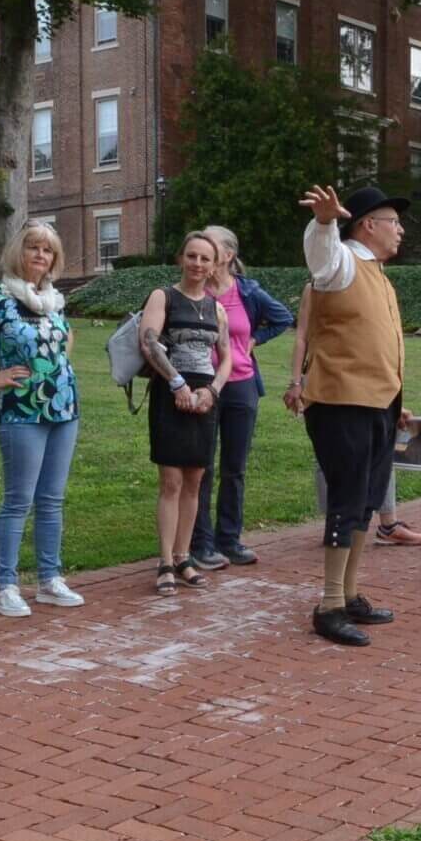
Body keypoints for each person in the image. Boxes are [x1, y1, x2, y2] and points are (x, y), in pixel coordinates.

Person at [0, 220, 86, 618]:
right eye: (33, 248)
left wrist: (56, 369)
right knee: (18, 500)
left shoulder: (54, 299)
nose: (40, 255)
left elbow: (66, 338)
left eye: (48, 250)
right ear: (18, 253)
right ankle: (5, 585)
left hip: (64, 409)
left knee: (52, 499)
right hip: (21, 411)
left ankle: (49, 579)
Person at [300, 183, 412, 646]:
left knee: (367, 501)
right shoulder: (342, 262)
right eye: (394, 223)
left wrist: (396, 402)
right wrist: (324, 220)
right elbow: (319, 253)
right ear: (369, 225)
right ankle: (328, 605)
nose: (401, 231)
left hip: (378, 404)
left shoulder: (379, 275)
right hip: (341, 402)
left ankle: (347, 595)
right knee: (347, 500)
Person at [284, 282, 421, 546]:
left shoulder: (379, 284)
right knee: (331, 456)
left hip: (367, 382)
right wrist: (296, 383)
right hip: (325, 381)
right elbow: (302, 335)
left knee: (378, 450)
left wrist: (395, 400)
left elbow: (385, 343)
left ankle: (386, 524)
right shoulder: (318, 286)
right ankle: (337, 525)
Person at [187, 225, 295, 569]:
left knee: (235, 468)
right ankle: (200, 543)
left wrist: (254, 340)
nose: (203, 250)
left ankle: (229, 539)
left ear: (228, 255)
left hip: (242, 385)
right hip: (203, 384)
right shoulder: (194, 289)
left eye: (211, 246)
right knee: (201, 465)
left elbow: (283, 318)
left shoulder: (247, 292)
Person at [139, 233, 231, 596]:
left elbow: (226, 358)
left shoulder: (216, 309)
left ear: (214, 265)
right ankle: (164, 560)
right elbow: (149, 342)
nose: (197, 264)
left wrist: (212, 392)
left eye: (205, 259)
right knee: (171, 481)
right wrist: (177, 384)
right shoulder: (164, 296)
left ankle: (183, 556)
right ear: (182, 259)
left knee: (195, 480)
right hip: (170, 392)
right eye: (191, 256)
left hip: (205, 397)